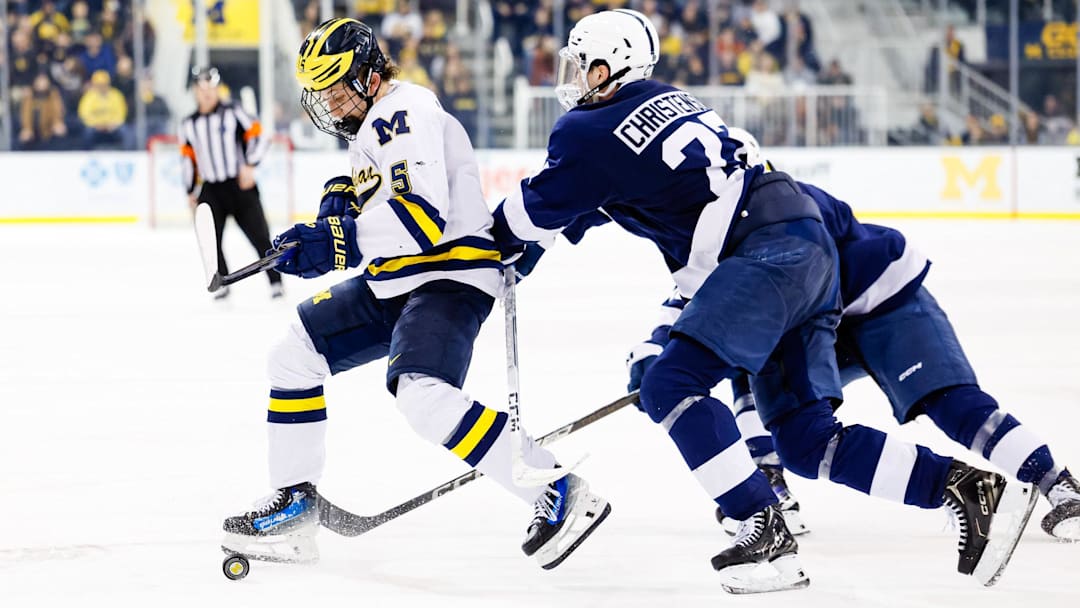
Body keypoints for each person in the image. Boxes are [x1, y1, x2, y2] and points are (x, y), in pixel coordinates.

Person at [491, 9, 1036, 591]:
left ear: (611, 66)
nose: (572, 79)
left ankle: (762, 528)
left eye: (581, 64)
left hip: (764, 252)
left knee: (671, 385)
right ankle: (966, 487)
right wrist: (533, 249)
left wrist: (486, 248)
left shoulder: (587, 133)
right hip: (801, 244)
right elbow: (587, 206)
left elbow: (529, 213)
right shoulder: (665, 101)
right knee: (805, 441)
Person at [220, 18, 610, 571]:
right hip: (399, 278)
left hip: (448, 273)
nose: (328, 102)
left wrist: (337, 241)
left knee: (423, 395)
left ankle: (557, 489)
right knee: (292, 355)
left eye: (335, 86)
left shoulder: (404, 112)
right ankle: (296, 503)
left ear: (370, 76)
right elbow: (381, 201)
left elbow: (422, 218)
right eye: (321, 91)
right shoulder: (375, 124)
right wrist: (341, 207)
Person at [623, 127, 1078, 543]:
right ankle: (771, 480)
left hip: (883, 300)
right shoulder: (716, 224)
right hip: (816, 319)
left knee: (952, 403)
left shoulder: (777, 205)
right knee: (741, 358)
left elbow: (744, 288)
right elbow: (700, 299)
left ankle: (1056, 482)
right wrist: (655, 349)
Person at [179, 67, 283, 300]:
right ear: (195, 92)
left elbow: (261, 137)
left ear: (217, 90)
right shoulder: (188, 124)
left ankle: (276, 281)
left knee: (260, 236)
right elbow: (188, 159)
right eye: (202, 89)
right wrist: (190, 191)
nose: (207, 93)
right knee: (210, 239)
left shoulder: (234, 111)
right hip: (211, 188)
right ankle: (222, 282)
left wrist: (250, 165)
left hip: (239, 185)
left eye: (211, 88)